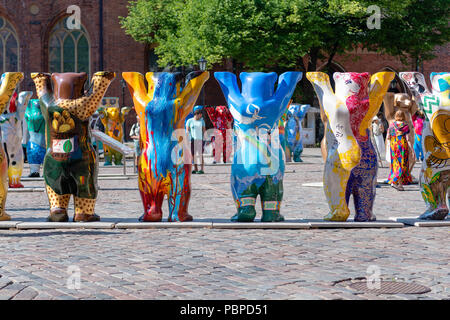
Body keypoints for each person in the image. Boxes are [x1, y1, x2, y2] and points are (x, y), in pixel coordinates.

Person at [387, 110, 413, 191]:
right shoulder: (405, 125)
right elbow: (408, 138)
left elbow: (388, 137)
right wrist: (412, 149)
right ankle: (399, 183)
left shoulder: (392, 125)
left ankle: (395, 181)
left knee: (395, 163)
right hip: (402, 144)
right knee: (402, 162)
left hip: (393, 144)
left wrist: (388, 147)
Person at [186, 106, 206, 174]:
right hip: (192, 140)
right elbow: (187, 131)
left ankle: (202, 169)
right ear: (196, 114)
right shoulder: (189, 121)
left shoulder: (202, 121)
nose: (201, 116)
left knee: (200, 155)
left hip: (200, 140)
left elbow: (204, 130)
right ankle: (196, 168)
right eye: (200, 115)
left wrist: (204, 139)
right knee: (193, 155)